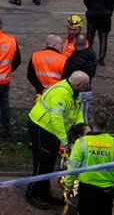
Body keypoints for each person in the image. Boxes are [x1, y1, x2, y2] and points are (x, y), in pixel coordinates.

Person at [27, 71, 90, 208]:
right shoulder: (61, 93)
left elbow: (77, 111)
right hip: (41, 127)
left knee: (49, 162)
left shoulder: (74, 92)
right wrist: (64, 141)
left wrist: (81, 129)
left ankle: (44, 193)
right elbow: (56, 119)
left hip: (52, 130)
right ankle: (32, 193)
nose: (88, 86)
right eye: (86, 84)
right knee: (42, 161)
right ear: (78, 84)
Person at [64, 117, 114, 215]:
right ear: (106, 125)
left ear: (92, 125)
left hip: (86, 190)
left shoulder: (81, 143)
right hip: (107, 191)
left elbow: (72, 168)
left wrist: (68, 186)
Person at [84, 0, 114, 66]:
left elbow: (86, 0)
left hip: (92, 15)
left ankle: (87, 56)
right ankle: (101, 58)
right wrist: (109, 11)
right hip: (105, 17)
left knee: (90, 37)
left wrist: (91, 8)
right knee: (103, 38)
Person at [62, 34, 98, 119]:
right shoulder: (92, 54)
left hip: (78, 92)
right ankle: (84, 131)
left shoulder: (73, 60)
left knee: (75, 117)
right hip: (88, 89)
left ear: (74, 43)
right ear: (86, 43)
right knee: (84, 115)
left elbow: (66, 77)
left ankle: (80, 131)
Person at [26, 35, 67, 99]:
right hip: (56, 93)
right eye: (61, 44)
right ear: (54, 45)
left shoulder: (35, 56)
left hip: (40, 93)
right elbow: (65, 79)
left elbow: (30, 76)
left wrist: (41, 89)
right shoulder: (63, 59)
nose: (62, 46)